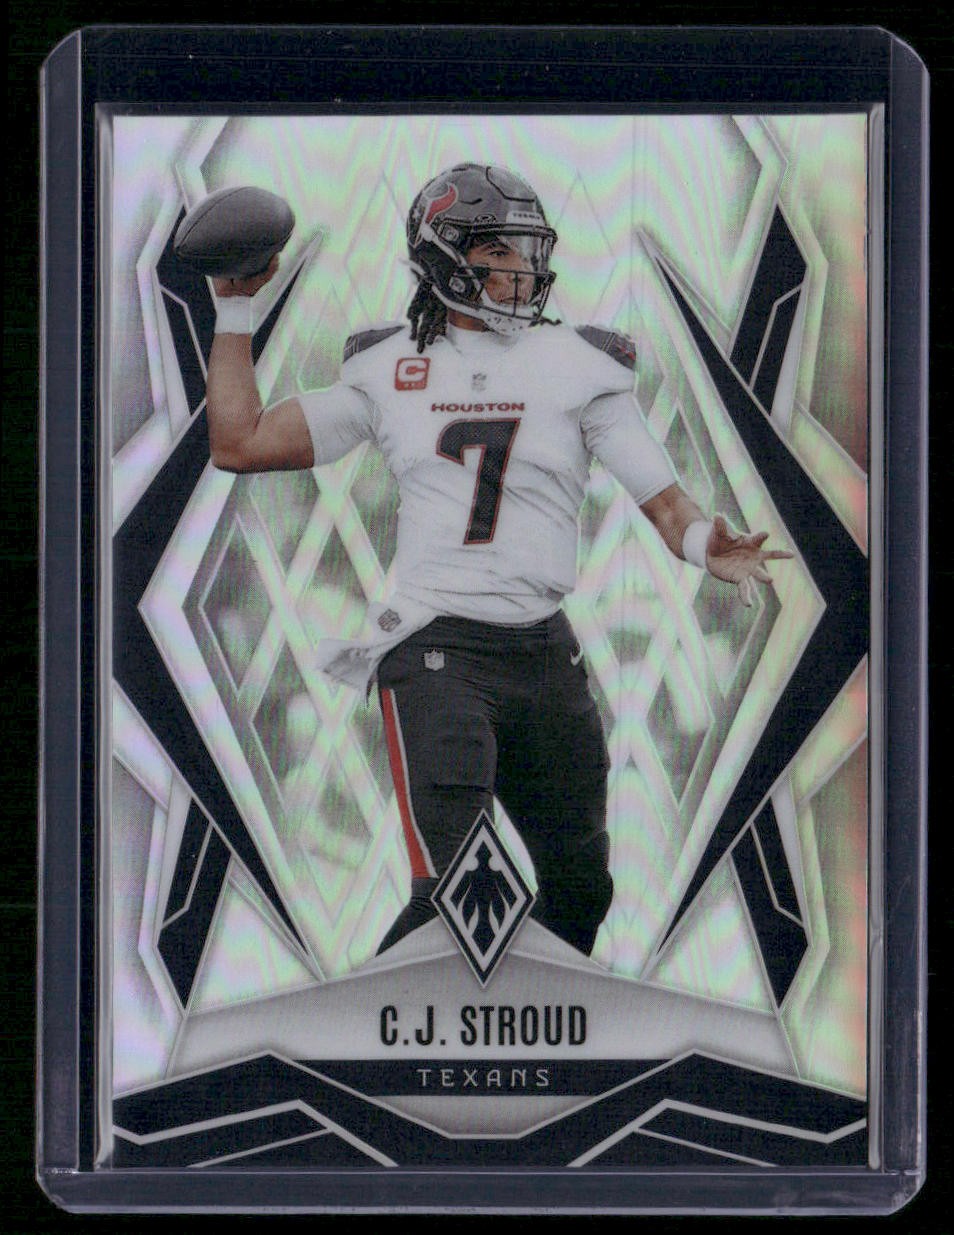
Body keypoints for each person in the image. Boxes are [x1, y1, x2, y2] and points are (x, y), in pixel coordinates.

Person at [205, 162, 790, 959]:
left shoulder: (579, 362)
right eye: (500, 251)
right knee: (457, 896)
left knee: (581, 889)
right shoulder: (390, 367)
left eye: (528, 249)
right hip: (436, 650)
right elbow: (239, 441)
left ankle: (522, 1025)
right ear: (445, 259)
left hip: (544, 653)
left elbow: (666, 502)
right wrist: (235, 308)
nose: (523, 268)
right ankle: (354, 1026)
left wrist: (703, 544)